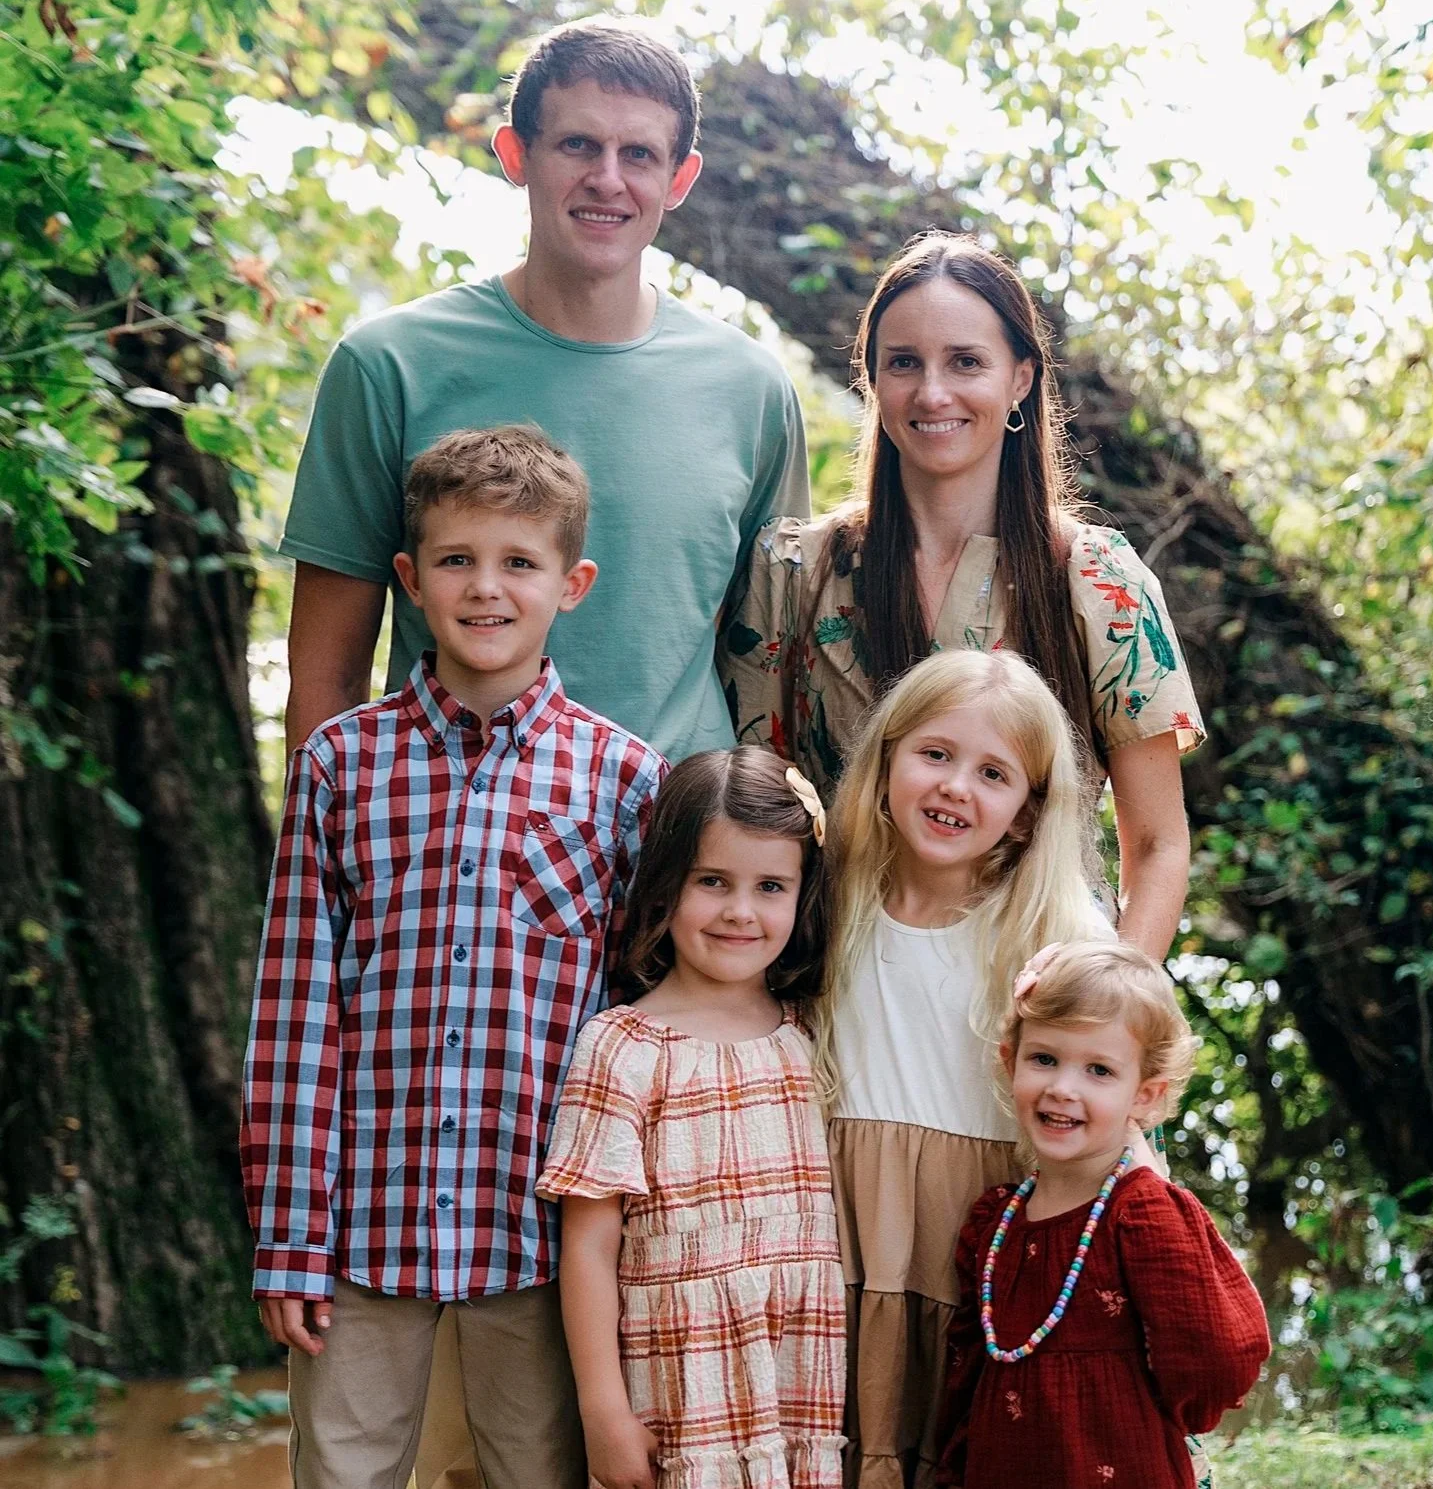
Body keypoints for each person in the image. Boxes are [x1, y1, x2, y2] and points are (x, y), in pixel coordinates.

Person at [240, 426, 667, 1489]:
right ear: (409, 580)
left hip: (541, 1242)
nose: (488, 589)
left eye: (519, 563)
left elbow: (639, 1032)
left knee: (539, 1473)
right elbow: (295, 1015)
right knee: (342, 1474)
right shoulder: (341, 766)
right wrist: (290, 1235)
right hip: (360, 1233)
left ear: (572, 583)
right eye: (457, 560)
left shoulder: (624, 782)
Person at [281, 15, 809, 762]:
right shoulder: (388, 365)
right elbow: (324, 678)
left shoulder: (750, 390)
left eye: (639, 154)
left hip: (677, 853)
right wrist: (320, 863)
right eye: (577, 145)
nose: (607, 179)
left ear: (680, 178)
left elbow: (769, 661)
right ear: (515, 153)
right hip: (450, 844)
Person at [720, 232, 1201, 961]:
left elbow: (1160, 844)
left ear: (1019, 379)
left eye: (965, 362)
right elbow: (757, 814)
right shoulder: (793, 571)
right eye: (903, 363)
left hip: (1041, 1003)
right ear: (871, 380)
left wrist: (1113, 1012)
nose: (932, 392)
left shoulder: (1095, 577)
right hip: (845, 988)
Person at [814, 647, 1119, 1489]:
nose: (955, 787)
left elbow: (1117, 1120)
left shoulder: (1058, 936)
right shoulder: (822, 901)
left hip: (983, 1251)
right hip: (840, 1234)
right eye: (935, 754)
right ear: (884, 763)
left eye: (993, 773)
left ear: (1025, 812)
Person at [538, 747, 846, 1489]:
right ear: (666, 886)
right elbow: (588, 1243)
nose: (742, 910)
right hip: (682, 1387)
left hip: (802, 1380)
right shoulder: (623, 1045)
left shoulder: (814, 1033)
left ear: (801, 895)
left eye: (770, 885)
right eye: (713, 881)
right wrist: (601, 1409)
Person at [938, 940, 1271, 1489]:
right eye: (1044, 1058)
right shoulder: (995, 1224)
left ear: (1144, 1096)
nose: (1063, 1088)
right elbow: (965, 1386)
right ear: (1009, 1060)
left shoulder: (1141, 1213)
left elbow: (1216, 1357)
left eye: (1099, 1070)